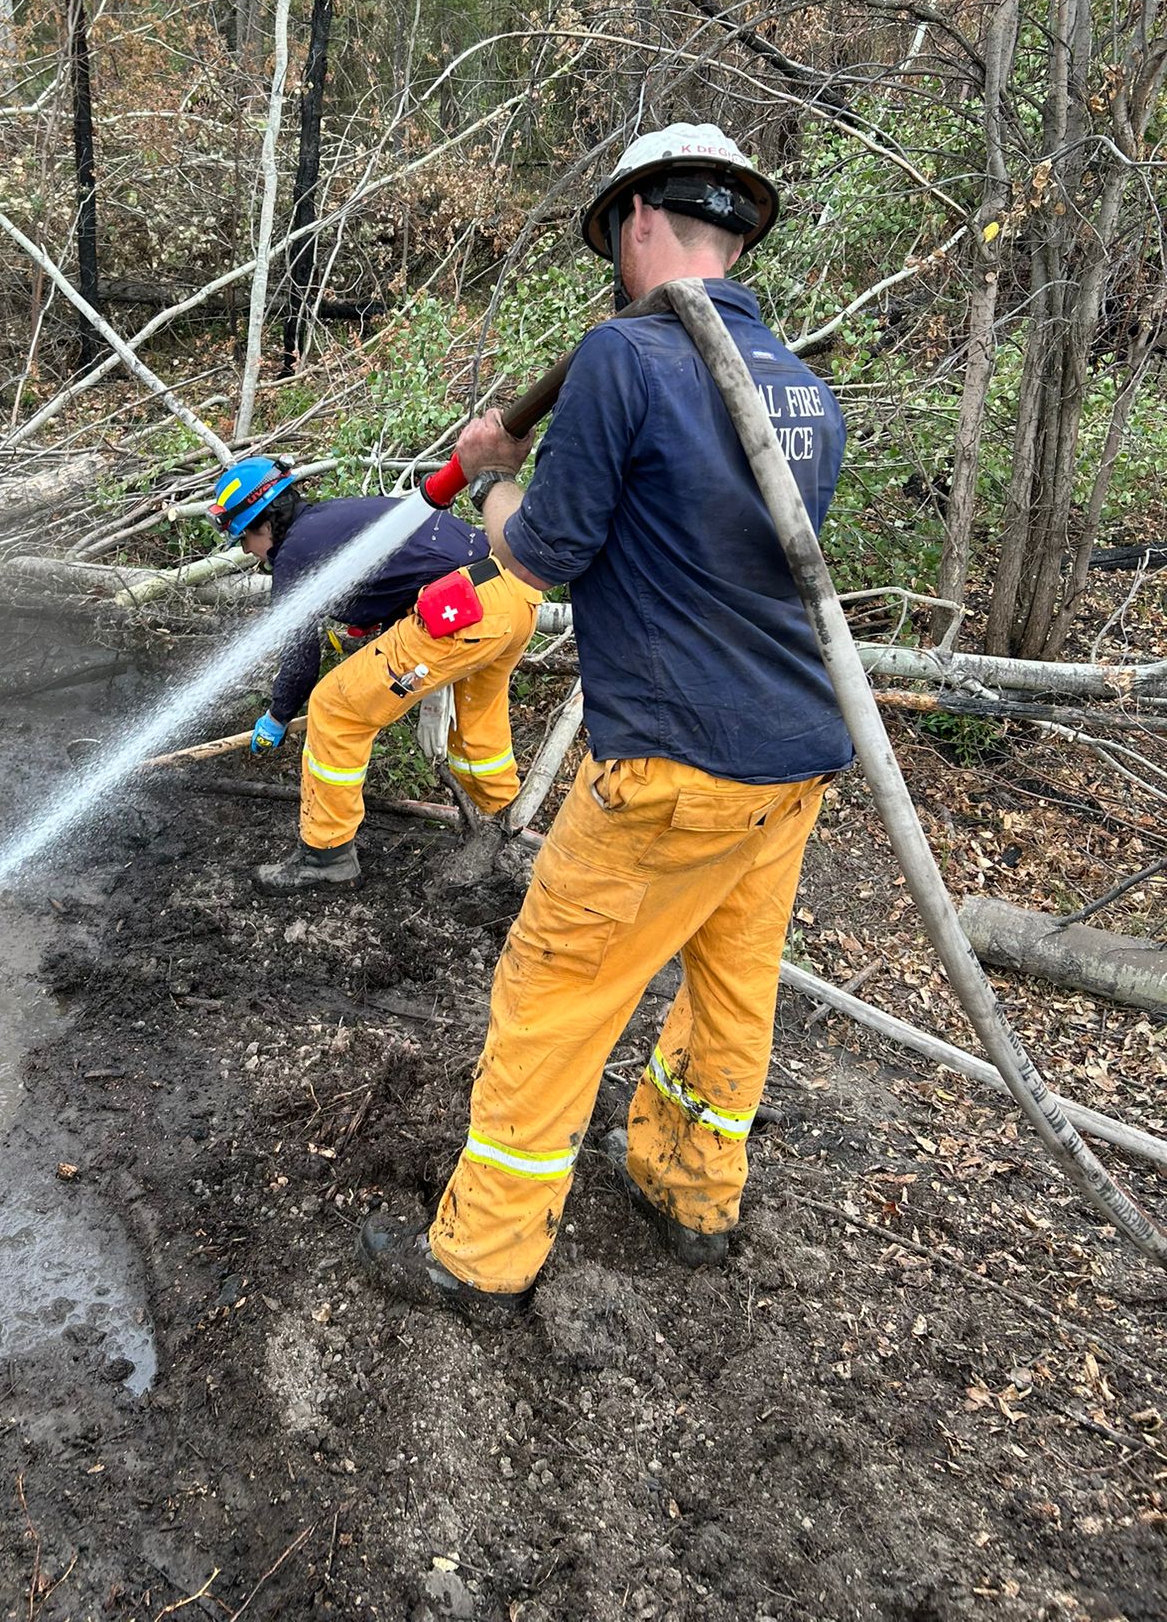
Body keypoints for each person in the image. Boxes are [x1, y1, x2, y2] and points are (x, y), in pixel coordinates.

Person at [358, 122, 854, 1320]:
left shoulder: (623, 357)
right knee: (732, 993)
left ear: (636, 223)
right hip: (793, 762)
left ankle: (482, 1255)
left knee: (551, 991)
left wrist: (490, 466)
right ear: (734, 233)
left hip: (672, 766)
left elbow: (537, 556)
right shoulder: (803, 385)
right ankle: (692, 1192)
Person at [209, 460, 541, 889]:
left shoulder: (293, 554)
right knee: (479, 729)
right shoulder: (336, 517)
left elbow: (299, 657)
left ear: (263, 524)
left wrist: (277, 715)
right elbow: (412, 566)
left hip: (459, 612)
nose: (248, 552)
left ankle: (326, 857)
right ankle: (506, 832)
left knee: (335, 708)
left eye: (244, 541)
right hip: (513, 596)